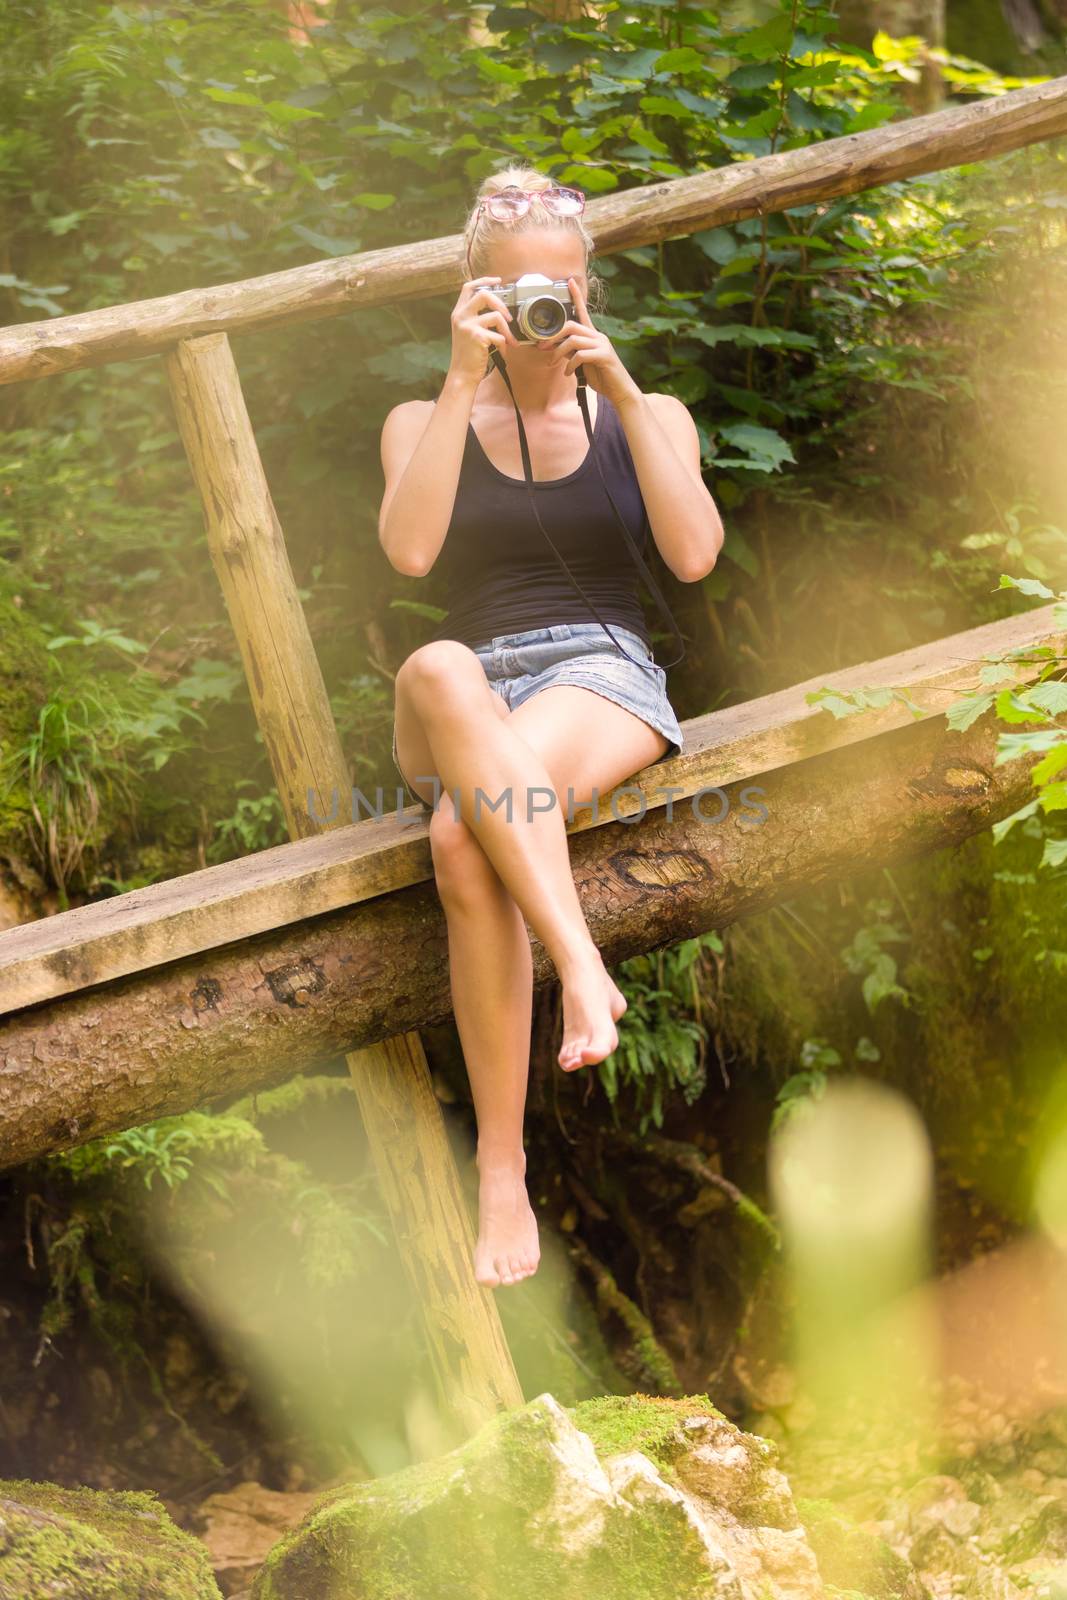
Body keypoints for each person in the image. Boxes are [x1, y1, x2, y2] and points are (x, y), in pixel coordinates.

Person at [378, 164, 723, 1290]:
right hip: (463, 687)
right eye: (521, 292)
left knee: (452, 840)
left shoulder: (644, 410)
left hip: (599, 669)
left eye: (563, 292)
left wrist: (620, 393)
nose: (544, 314)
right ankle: (581, 965)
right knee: (432, 661)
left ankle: (498, 1168)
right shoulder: (421, 415)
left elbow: (692, 558)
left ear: (589, 296)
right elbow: (411, 557)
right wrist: (458, 374)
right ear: (478, 290)